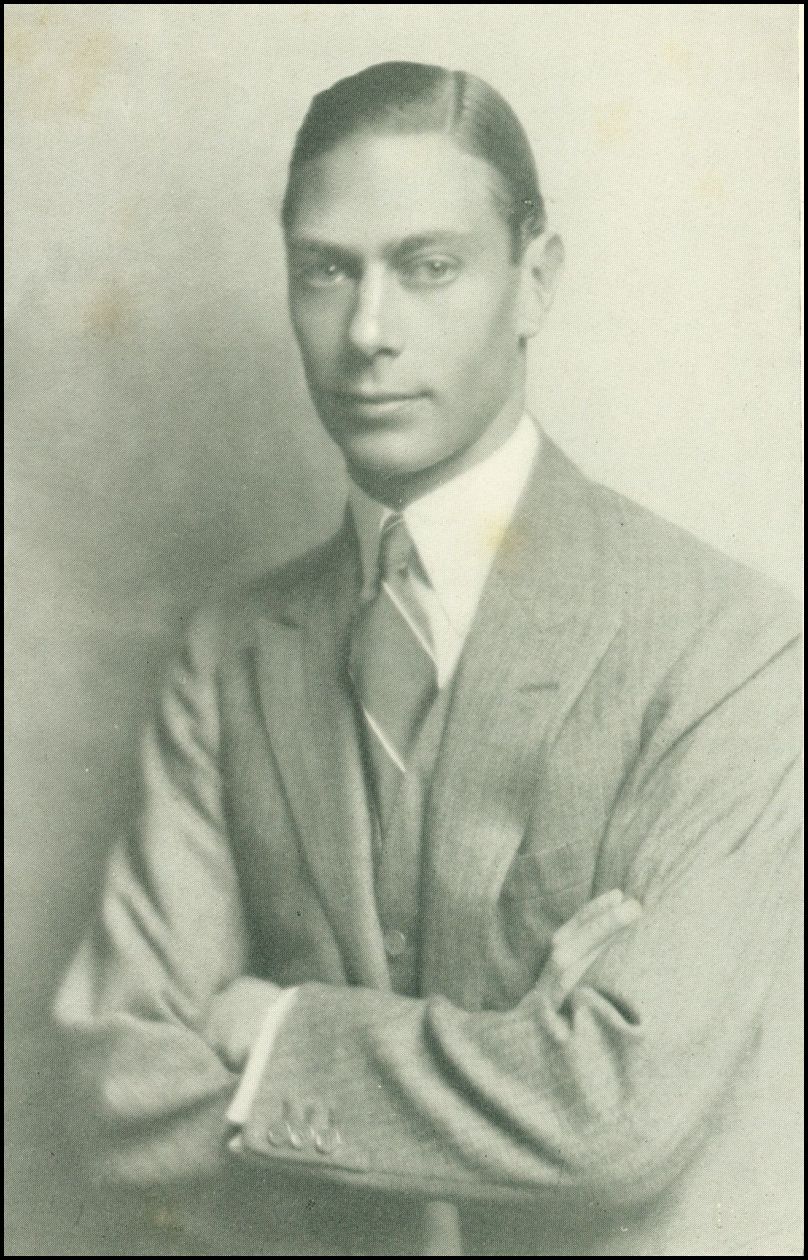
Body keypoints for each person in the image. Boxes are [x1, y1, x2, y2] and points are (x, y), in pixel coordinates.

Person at [54, 62, 802, 1257]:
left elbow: (616, 1114)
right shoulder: (231, 651)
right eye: (324, 270)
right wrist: (515, 1058)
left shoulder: (733, 643)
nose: (366, 331)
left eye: (429, 266)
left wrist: (277, 1041)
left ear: (534, 281)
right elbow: (118, 1084)